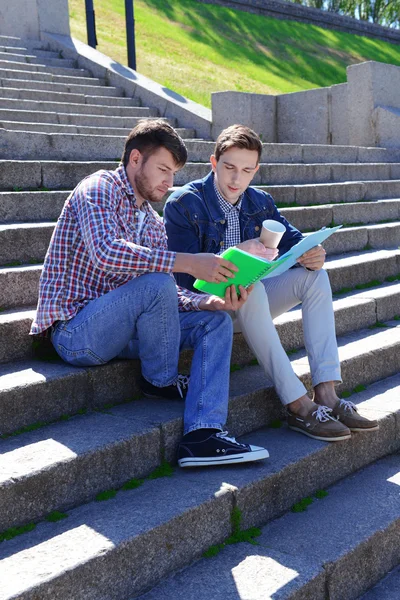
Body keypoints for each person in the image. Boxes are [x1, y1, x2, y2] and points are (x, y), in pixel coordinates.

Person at [29, 119, 269, 468]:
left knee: (214, 322)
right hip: (75, 331)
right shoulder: (98, 188)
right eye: (163, 170)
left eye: (173, 174)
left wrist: (207, 301)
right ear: (135, 159)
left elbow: (167, 293)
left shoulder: (151, 220)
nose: (169, 183)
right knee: (156, 280)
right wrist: (187, 262)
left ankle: (203, 434)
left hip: (124, 328)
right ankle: (161, 380)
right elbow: (107, 252)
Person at [164, 124, 378, 443]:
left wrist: (312, 252)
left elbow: (295, 241)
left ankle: (327, 395)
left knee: (315, 277)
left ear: (256, 170)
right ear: (213, 162)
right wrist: (234, 255)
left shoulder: (260, 202)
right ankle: (297, 404)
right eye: (229, 168)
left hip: (252, 305)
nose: (237, 179)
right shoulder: (183, 204)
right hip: (209, 312)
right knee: (254, 288)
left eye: (247, 170)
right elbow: (184, 281)